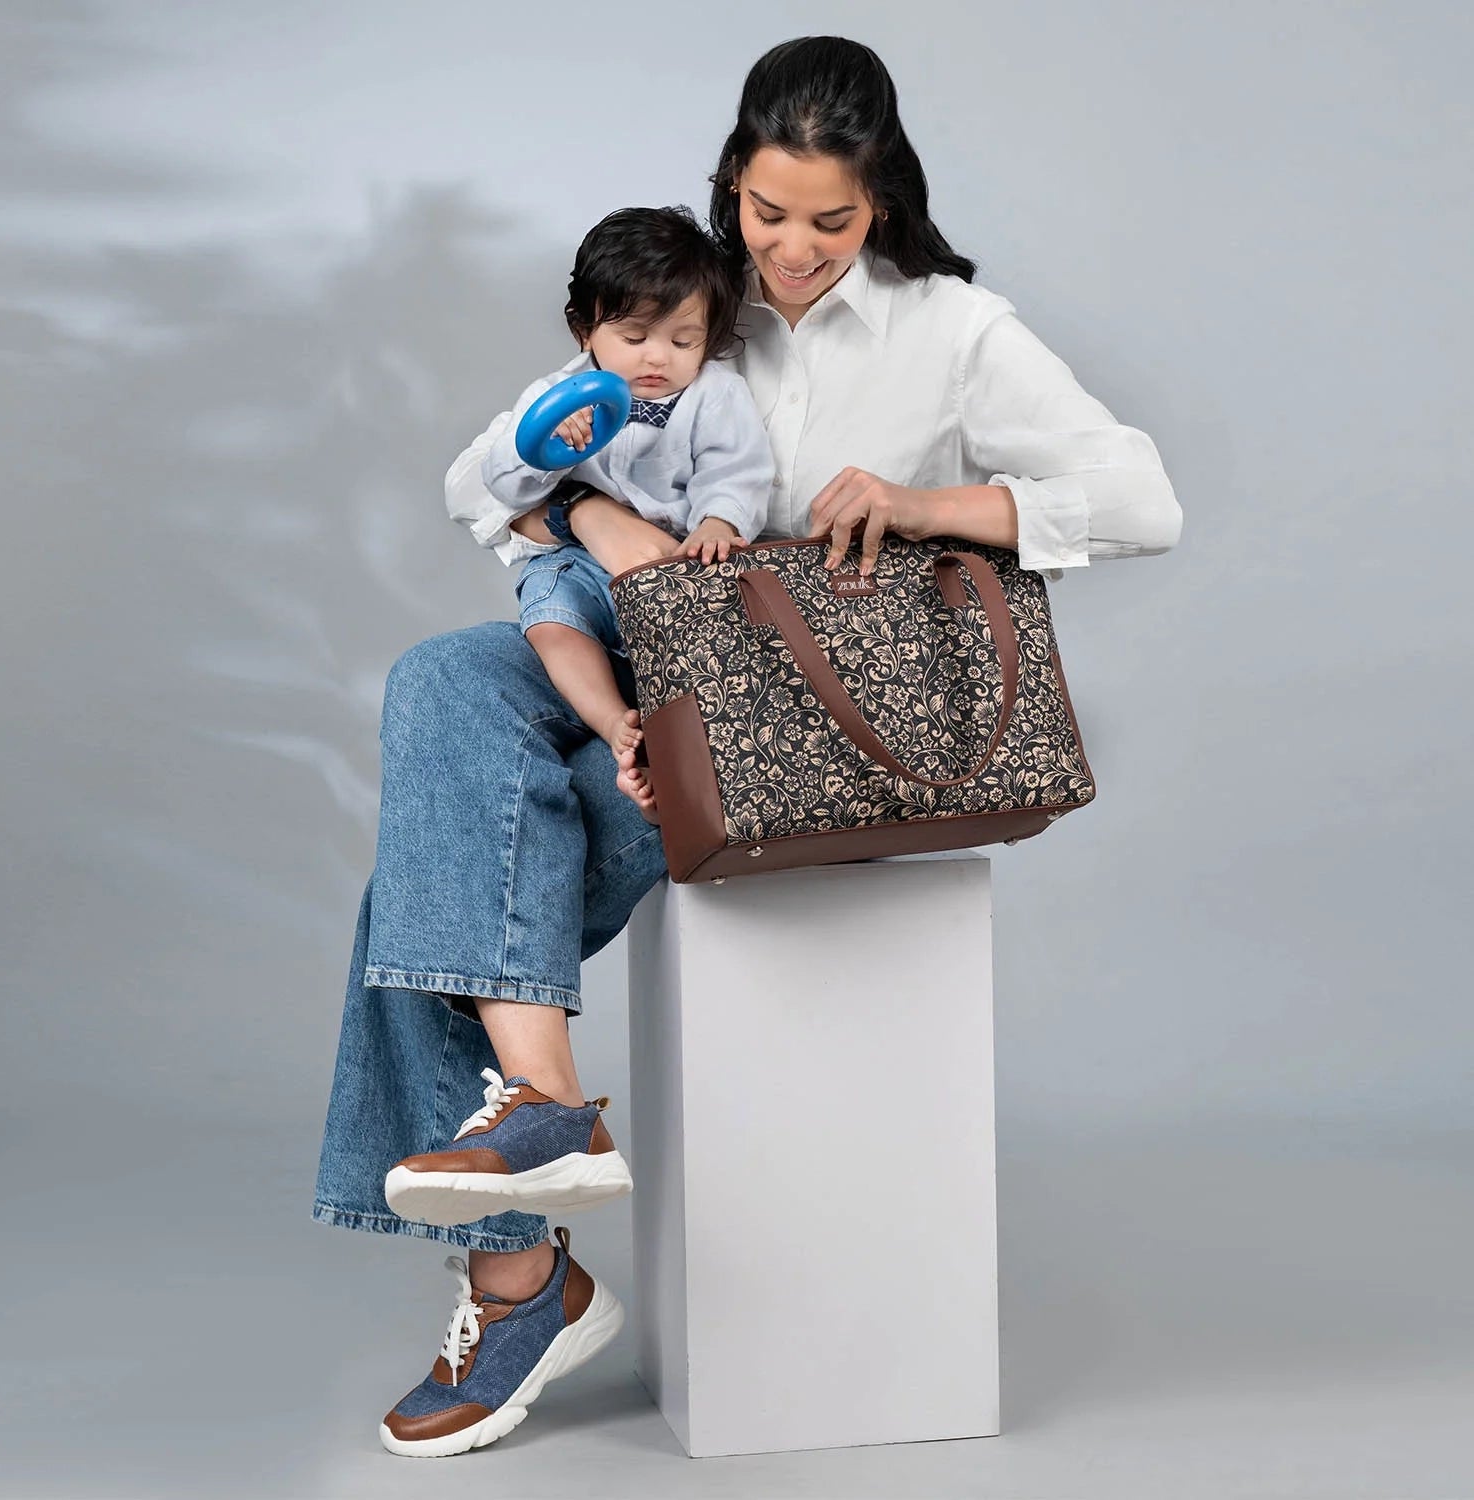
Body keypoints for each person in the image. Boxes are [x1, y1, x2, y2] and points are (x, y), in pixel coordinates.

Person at [315, 34, 1183, 1458]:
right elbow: (493, 472)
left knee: (437, 862)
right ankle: (544, 1110)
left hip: (797, 715)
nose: (791, 248)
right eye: (767, 211)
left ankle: (521, 1278)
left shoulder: (952, 329)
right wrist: (590, 513)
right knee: (441, 690)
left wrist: (923, 505)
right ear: (731, 183)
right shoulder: (687, 299)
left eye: (830, 220)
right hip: (637, 657)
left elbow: (1143, 498)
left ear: (883, 199)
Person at [482, 206, 773, 795]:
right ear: (584, 331)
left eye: (683, 340)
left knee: (720, 624)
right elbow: (501, 484)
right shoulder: (557, 397)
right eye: (634, 338)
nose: (658, 357)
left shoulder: (715, 394)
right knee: (550, 617)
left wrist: (718, 520)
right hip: (581, 564)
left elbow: (737, 470)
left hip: (678, 564)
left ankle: (700, 753)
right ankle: (616, 723)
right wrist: (542, 450)